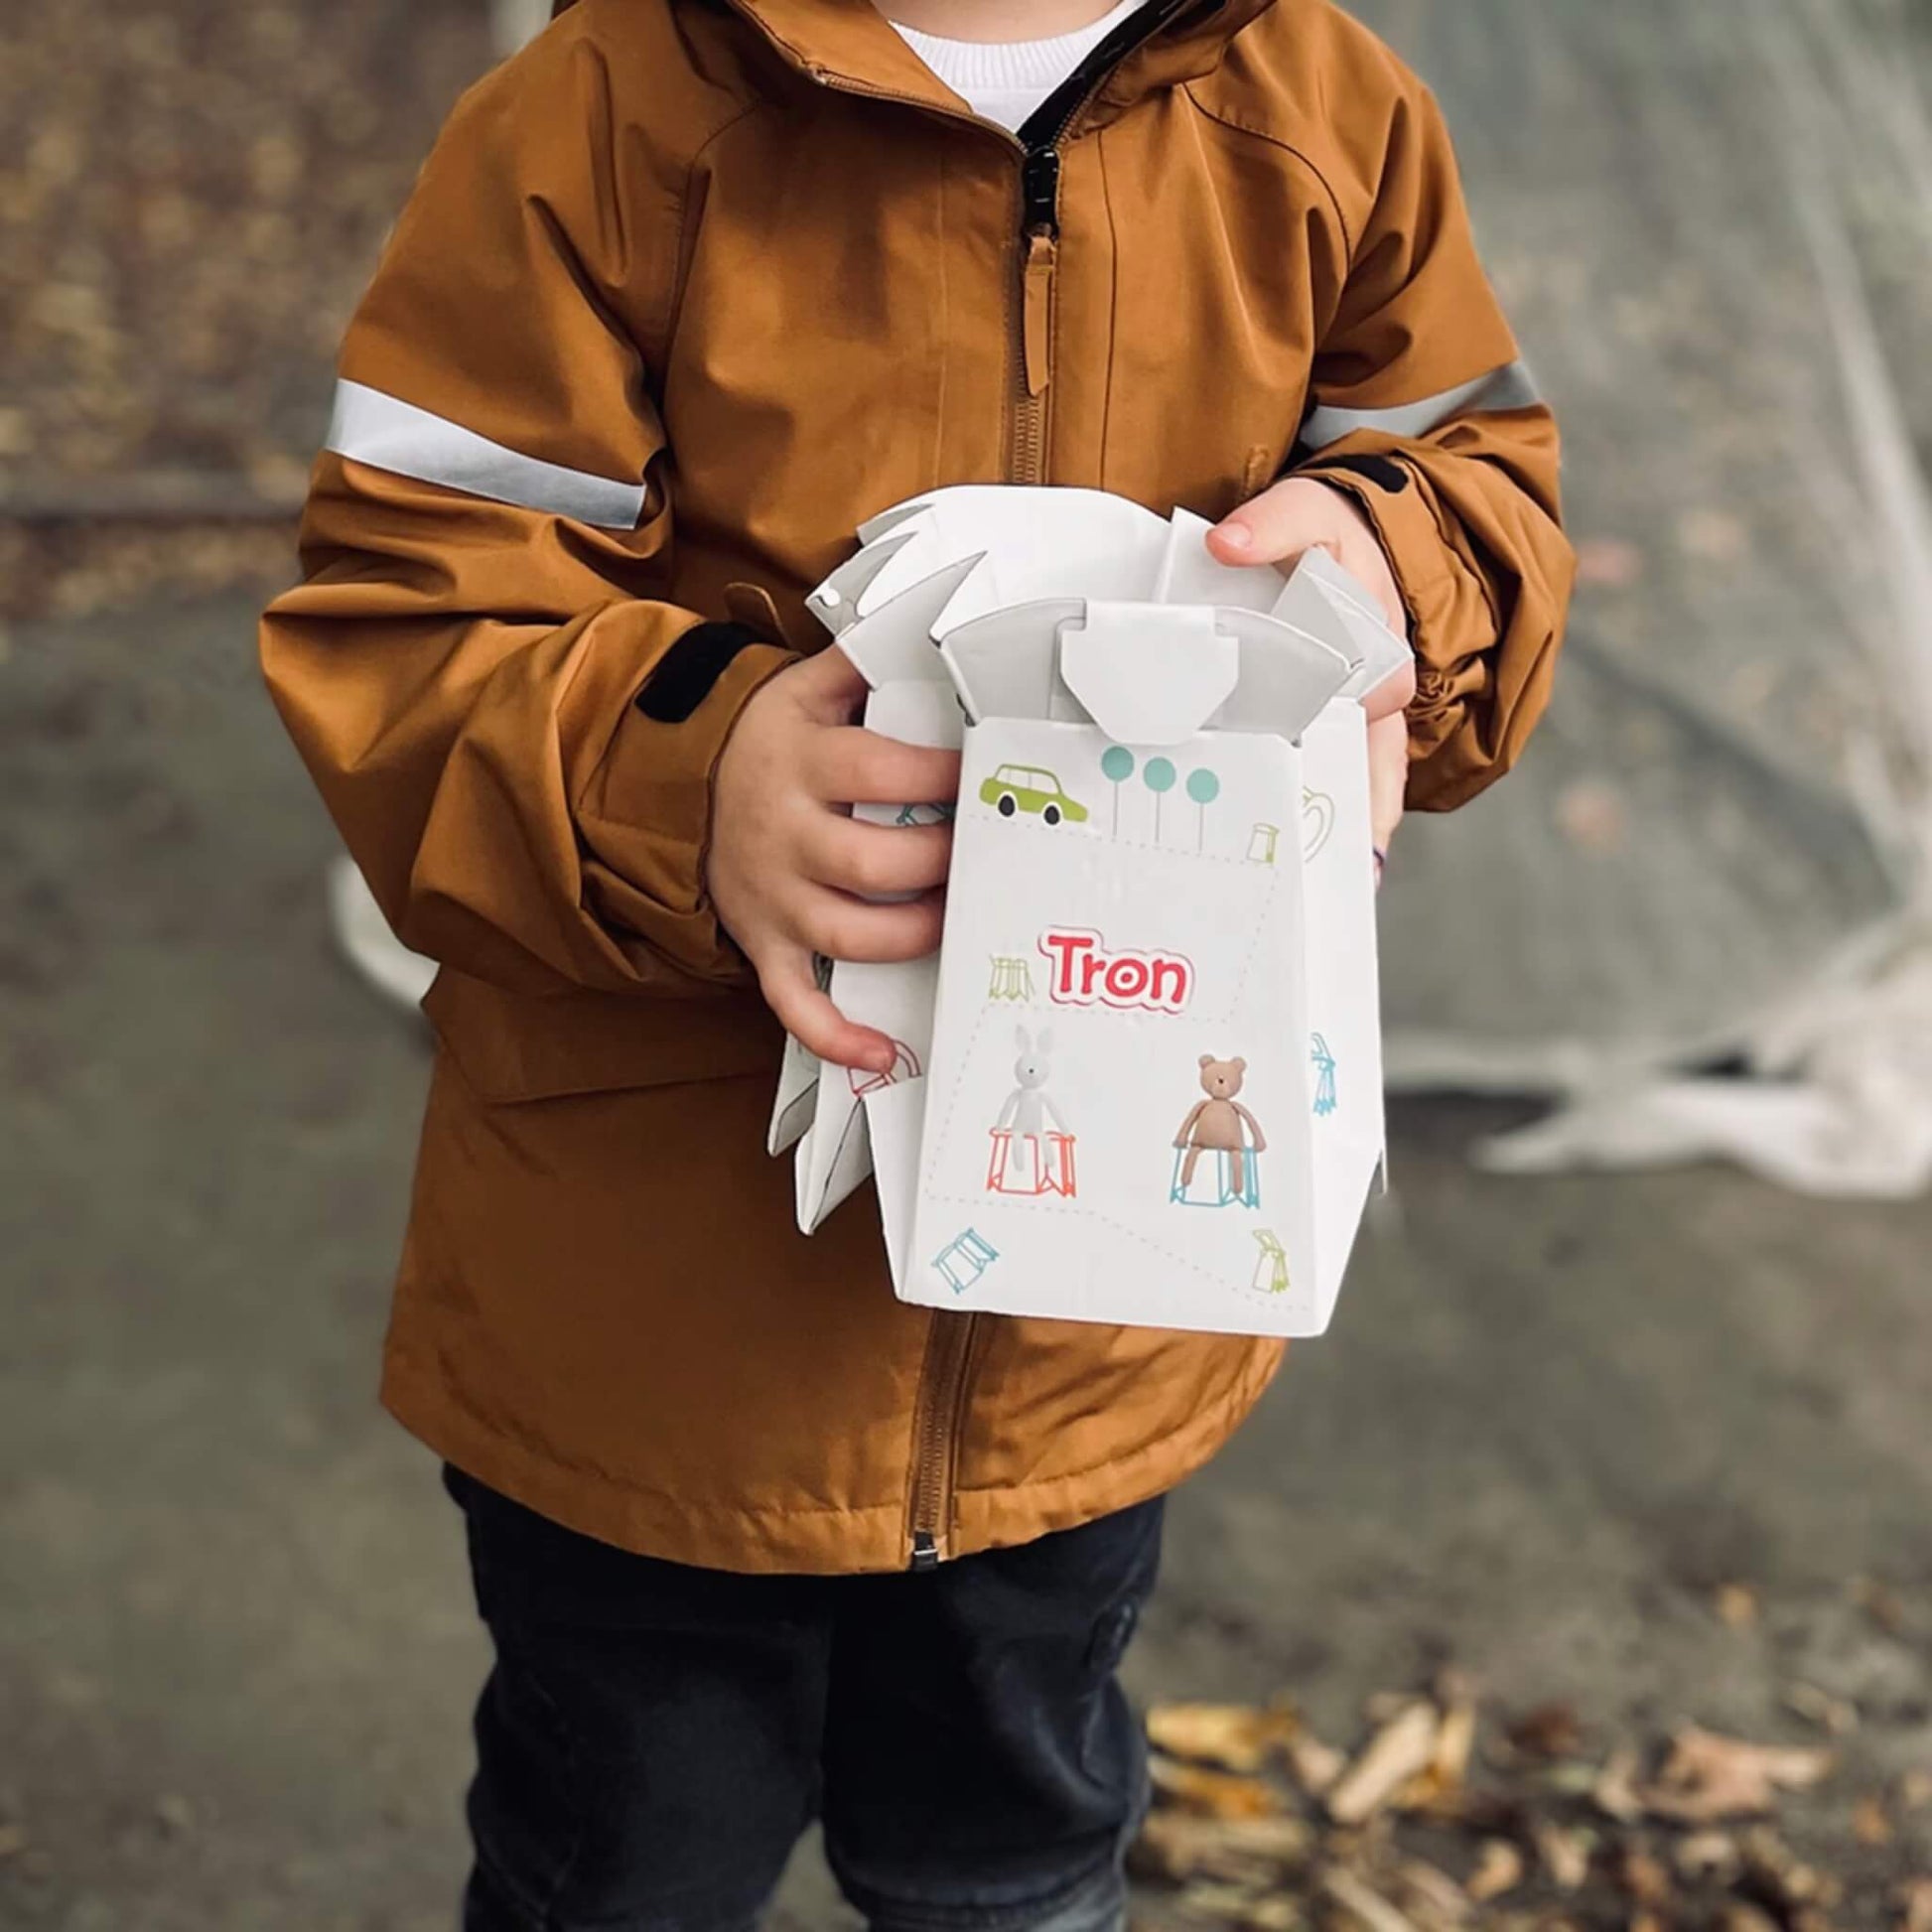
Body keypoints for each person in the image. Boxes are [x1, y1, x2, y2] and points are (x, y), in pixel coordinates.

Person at [259, 0, 1574, 1923]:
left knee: (1017, 1862)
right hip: (647, 1338)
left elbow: (1479, 484)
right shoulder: (605, 116)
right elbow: (400, 615)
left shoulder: (1319, 113)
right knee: (619, 1862)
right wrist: (688, 778)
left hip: (1085, 1320)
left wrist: (1400, 578)